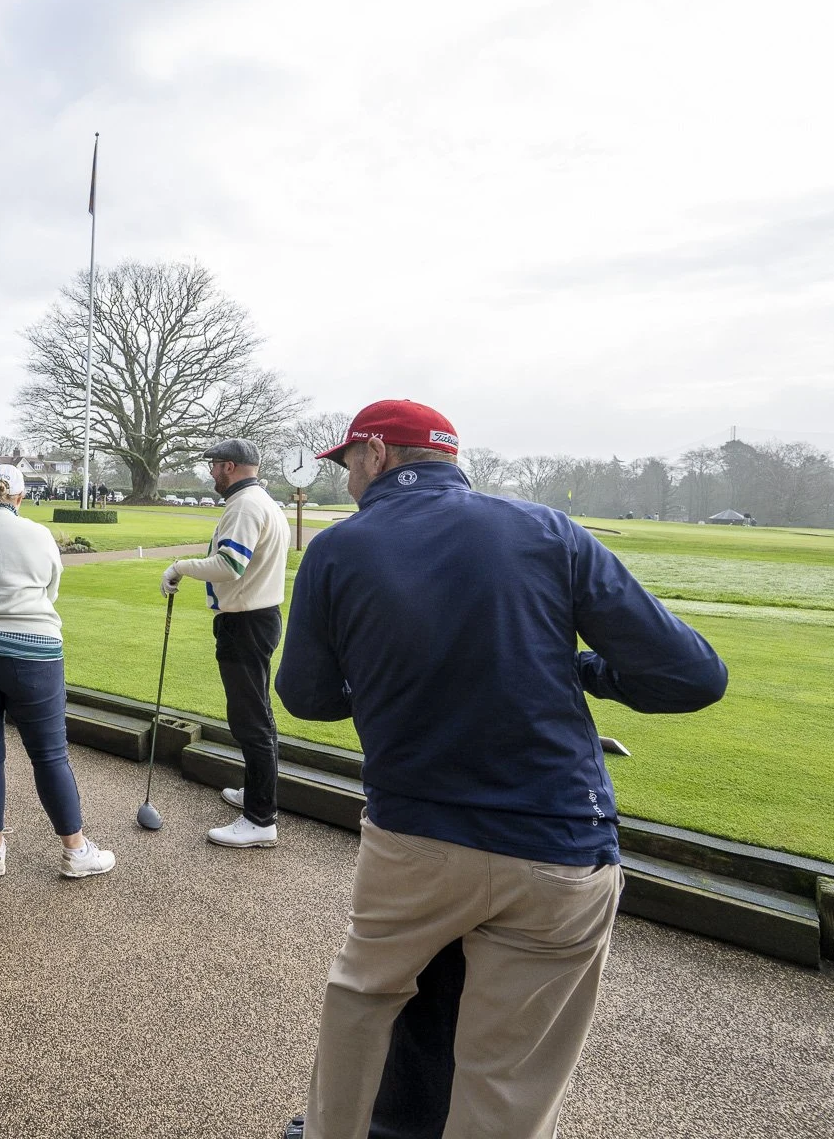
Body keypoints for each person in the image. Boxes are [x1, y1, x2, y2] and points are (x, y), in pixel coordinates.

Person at [275, 399, 728, 1138]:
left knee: (363, 997)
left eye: (348, 462)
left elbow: (306, 697)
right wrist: (583, 669)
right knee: (509, 1075)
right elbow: (693, 677)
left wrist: (386, 681)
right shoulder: (545, 530)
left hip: (414, 836)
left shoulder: (340, 547)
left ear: (379, 456)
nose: (345, 480)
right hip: (557, 839)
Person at [0, 464, 115, 879]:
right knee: (50, 754)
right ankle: (75, 851)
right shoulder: (37, 534)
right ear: (19, 497)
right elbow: (51, 588)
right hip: (30, 649)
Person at [160, 438, 292, 850]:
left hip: (245, 623)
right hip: (258, 618)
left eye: (214, 465)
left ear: (230, 466)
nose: (211, 472)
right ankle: (258, 794)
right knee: (256, 717)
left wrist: (179, 567)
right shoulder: (261, 500)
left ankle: (260, 819)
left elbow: (229, 565)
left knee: (250, 721)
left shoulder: (245, 505)